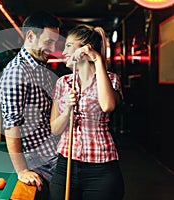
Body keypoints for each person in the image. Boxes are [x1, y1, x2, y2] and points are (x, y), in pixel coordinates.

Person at [49, 24, 125, 200]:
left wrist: (97, 59)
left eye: (68, 46)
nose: (63, 51)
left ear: (84, 49)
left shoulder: (111, 79)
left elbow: (108, 106)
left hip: (101, 168)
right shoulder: (62, 83)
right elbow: (55, 129)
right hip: (66, 165)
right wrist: (68, 108)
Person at [0, 11, 62, 194]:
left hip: (55, 150)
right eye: (48, 42)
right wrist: (22, 170)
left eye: (54, 43)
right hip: (43, 160)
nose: (52, 48)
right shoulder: (16, 73)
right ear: (31, 36)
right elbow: (11, 125)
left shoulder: (40, 65)